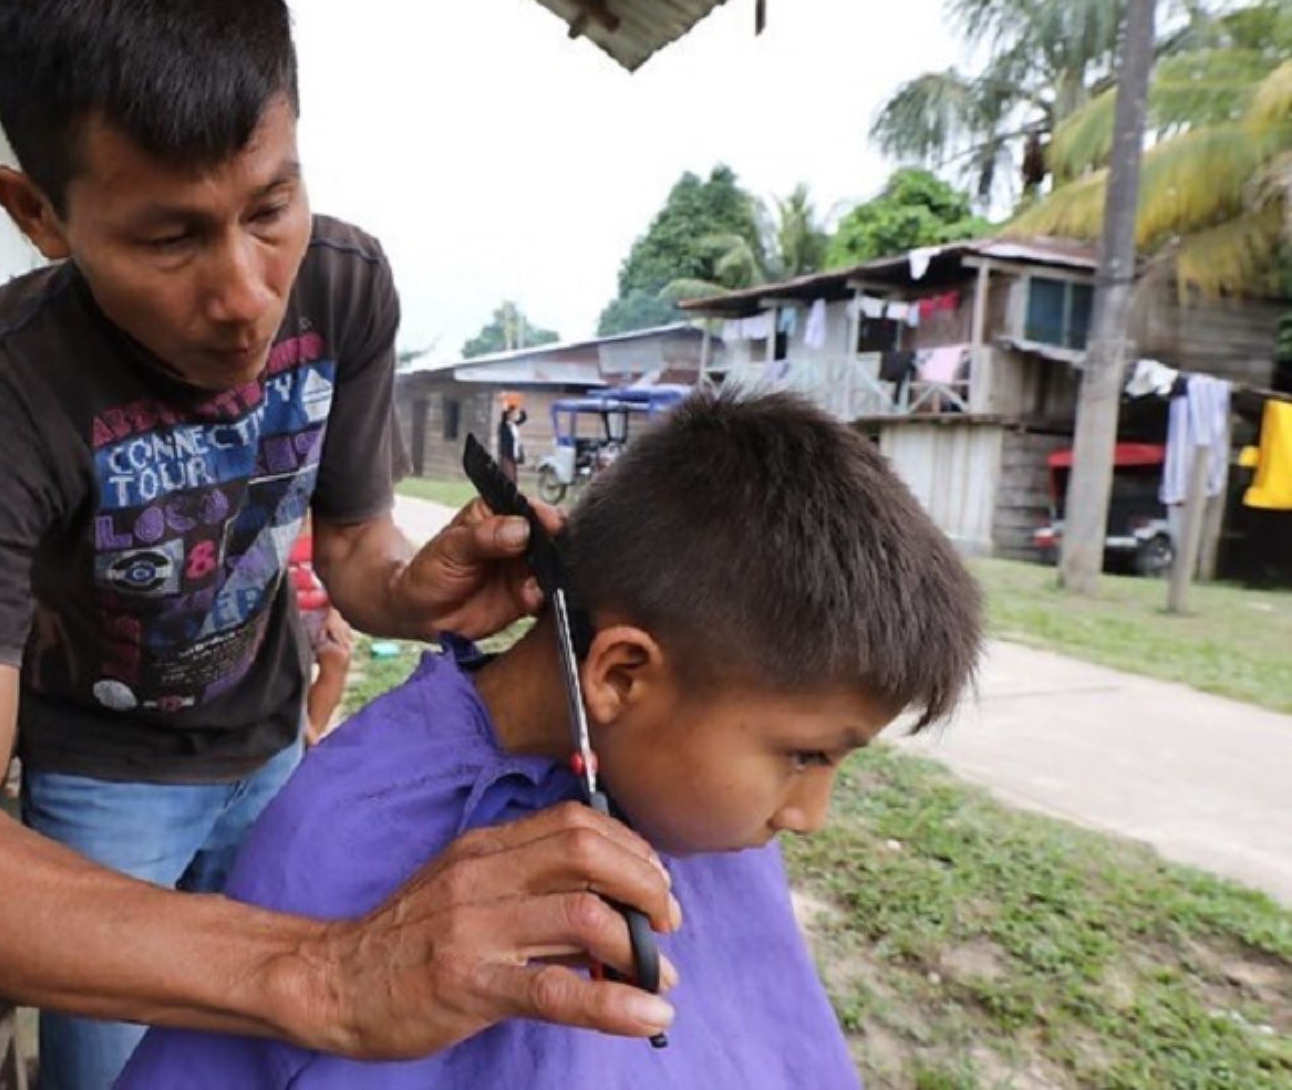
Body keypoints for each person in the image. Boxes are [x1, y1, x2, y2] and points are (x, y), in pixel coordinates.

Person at [0, 0, 677, 1088]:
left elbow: (350, 546)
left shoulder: (343, 291)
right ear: (39, 214)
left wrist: (412, 584)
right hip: (105, 779)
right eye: (171, 237)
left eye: (270, 206)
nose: (246, 294)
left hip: (279, 742)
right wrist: (328, 972)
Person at [119, 388, 984, 1087]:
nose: (811, 815)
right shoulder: (358, 823)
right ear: (619, 676)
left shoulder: (703, 817)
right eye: (807, 756)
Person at [496, 403, 526, 483]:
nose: (514, 416)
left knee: (514, 477)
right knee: (508, 476)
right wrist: (506, 408)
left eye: (514, 414)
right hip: (506, 455)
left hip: (514, 454)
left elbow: (523, 418)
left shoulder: (514, 425)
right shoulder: (503, 426)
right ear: (508, 415)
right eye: (512, 414)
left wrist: (520, 409)